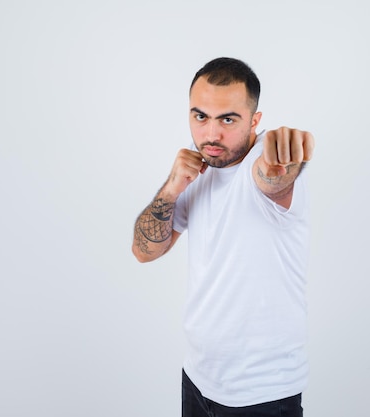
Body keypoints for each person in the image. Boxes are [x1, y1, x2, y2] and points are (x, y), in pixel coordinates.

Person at [132, 57, 314, 417]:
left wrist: (283, 167)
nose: (211, 134)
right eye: (200, 117)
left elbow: (271, 179)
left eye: (227, 119)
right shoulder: (199, 169)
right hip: (198, 379)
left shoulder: (262, 159)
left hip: (261, 394)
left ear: (255, 121)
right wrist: (172, 187)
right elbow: (144, 252)